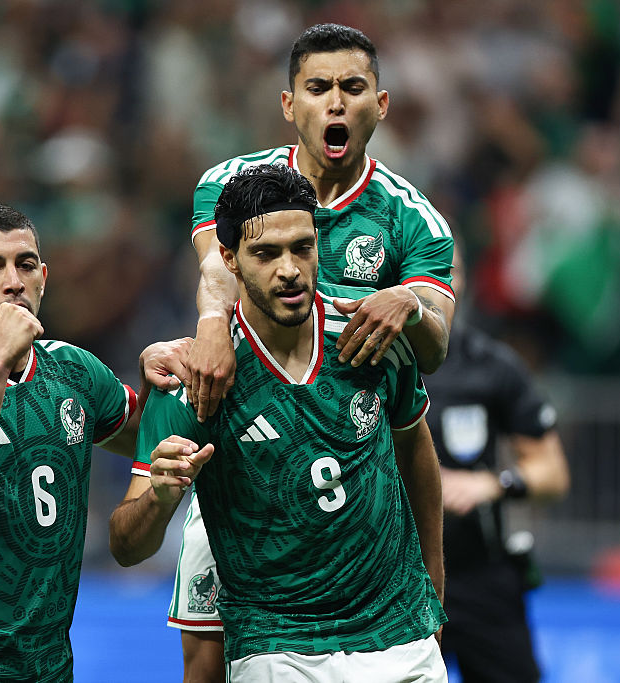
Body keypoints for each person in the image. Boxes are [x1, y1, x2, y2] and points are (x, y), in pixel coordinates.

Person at [175, 23, 457, 680]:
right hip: (248, 458)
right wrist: (211, 321)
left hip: (347, 461)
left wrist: (409, 303)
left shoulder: (410, 219)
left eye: (353, 88)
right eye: (319, 87)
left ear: (379, 106)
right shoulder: (231, 182)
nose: (336, 103)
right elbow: (214, 268)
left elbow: (436, 344)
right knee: (205, 659)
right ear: (288, 103)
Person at [109, 164, 447, 683]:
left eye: (301, 248)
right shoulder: (194, 378)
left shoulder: (371, 334)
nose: (289, 269)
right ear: (230, 261)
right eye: (266, 254)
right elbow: (127, 546)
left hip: (399, 639)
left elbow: (416, 453)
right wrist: (157, 497)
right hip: (279, 651)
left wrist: (433, 593)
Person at [0, 202, 187, 682]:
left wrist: (158, 381)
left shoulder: (73, 369)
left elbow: (145, 434)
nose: (13, 281)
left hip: (46, 669)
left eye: (25, 264)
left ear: (43, 276)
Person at [426, 247, 569, 683]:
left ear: (464, 280)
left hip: (481, 578)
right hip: (398, 582)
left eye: (450, 271)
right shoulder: (372, 362)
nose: (440, 283)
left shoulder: (492, 365)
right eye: (427, 270)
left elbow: (553, 474)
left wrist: (491, 483)